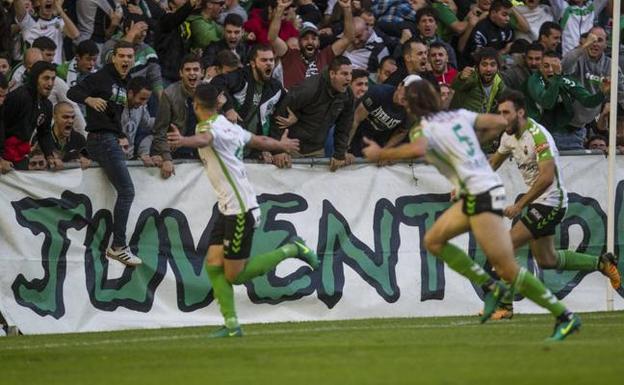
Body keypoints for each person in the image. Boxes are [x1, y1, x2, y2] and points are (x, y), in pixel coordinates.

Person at [361, 79, 581, 341]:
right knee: (433, 240)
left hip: (481, 196)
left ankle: (564, 315)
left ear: (412, 103)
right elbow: (500, 123)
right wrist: (470, 145)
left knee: (507, 268)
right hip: (477, 194)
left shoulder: (424, 128)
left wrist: (381, 154)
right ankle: (492, 288)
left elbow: (418, 149)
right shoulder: (460, 115)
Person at [166, 83, 319, 337]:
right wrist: (281, 146)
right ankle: (232, 325)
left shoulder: (208, 128)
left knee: (235, 275)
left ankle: (293, 248)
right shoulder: (229, 125)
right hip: (228, 207)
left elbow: (205, 139)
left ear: (195, 106)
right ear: (217, 104)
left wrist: (183, 141)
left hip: (240, 210)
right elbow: (258, 140)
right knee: (213, 264)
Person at [485, 90, 620, 319]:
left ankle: (505, 306)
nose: (501, 117)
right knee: (547, 260)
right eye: (499, 112)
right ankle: (602, 263)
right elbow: (492, 164)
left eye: (506, 112)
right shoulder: (508, 136)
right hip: (538, 202)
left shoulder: (538, 136)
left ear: (520, 112)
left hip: (552, 202)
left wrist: (520, 205)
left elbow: (547, 178)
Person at [67, 40, 142, 267]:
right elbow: (73, 90)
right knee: (127, 191)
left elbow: (112, 114)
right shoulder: (102, 77)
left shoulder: (123, 81)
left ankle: (118, 245)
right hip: (101, 139)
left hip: (107, 138)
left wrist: (120, 134)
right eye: (122, 56)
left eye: (130, 56)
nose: (126, 60)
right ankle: (119, 246)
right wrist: (88, 99)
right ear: (113, 57)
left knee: (124, 191)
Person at [270, 55, 354, 170]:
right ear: (332, 74)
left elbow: (344, 126)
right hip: (291, 147)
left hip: (317, 149)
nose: (349, 78)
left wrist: (339, 153)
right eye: (344, 74)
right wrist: (277, 150)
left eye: (350, 74)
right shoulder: (310, 88)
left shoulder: (347, 95)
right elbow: (279, 114)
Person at [269, 0, 353, 89]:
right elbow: (273, 38)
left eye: (314, 38)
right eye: (305, 38)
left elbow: (348, 38)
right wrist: (280, 9)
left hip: (318, 102)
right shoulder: (290, 56)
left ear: (319, 42)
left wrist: (347, 9)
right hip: (293, 101)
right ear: (299, 42)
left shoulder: (325, 56)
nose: (310, 42)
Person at [152, 54, 204, 178]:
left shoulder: (209, 92)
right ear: (181, 73)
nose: (192, 73)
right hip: (178, 149)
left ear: (202, 73)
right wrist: (167, 158)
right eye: (187, 70)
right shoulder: (169, 94)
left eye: (196, 70)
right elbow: (160, 131)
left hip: (204, 148)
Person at [1, 61, 60, 171]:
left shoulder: (47, 105)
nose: (50, 83)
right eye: (46, 78)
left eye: (53, 79)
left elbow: (44, 133)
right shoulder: (19, 97)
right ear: (35, 78)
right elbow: (1, 125)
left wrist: (50, 155)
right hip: (4, 156)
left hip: (20, 156)